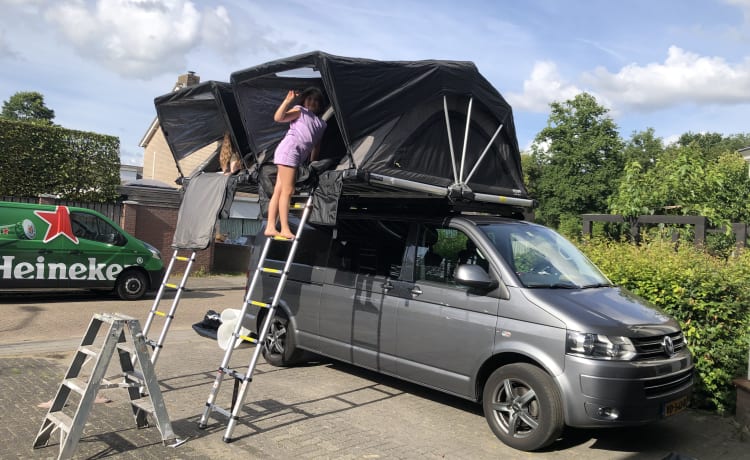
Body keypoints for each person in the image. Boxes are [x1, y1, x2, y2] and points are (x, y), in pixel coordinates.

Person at [264, 87, 327, 239]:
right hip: (289, 150)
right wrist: (287, 101)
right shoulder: (300, 111)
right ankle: (284, 228)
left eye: (315, 101)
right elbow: (279, 118)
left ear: (320, 105)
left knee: (279, 190)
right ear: (304, 100)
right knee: (288, 191)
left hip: (297, 155)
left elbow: (315, 145)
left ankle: (270, 226)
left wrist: (312, 162)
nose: (312, 102)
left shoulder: (321, 124)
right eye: (309, 99)